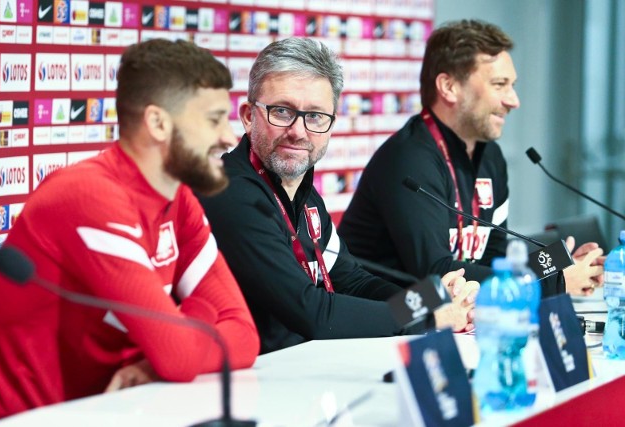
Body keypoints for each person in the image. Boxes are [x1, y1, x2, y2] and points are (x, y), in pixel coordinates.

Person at [0, 39, 259, 421]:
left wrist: (159, 361)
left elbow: (244, 334)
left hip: (105, 412)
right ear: (158, 123)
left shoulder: (178, 199)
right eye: (214, 120)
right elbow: (179, 354)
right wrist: (189, 328)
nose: (230, 137)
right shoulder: (87, 195)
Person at [198, 37, 478, 355]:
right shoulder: (231, 193)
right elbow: (312, 312)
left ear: (331, 126)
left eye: (315, 116)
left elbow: (351, 280)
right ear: (249, 116)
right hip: (249, 386)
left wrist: (431, 298)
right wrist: (429, 317)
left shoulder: (304, 194)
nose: (298, 131)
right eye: (282, 111)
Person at [338, 19, 604, 296]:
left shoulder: (489, 154)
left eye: (512, 85)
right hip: (381, 324)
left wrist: (557, 265)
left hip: (446, 318)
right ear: (449, 87)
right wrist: (554, 283)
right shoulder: (409, 159)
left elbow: (496, 259)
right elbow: (437, 272)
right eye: (499, 84)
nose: (513, 100)